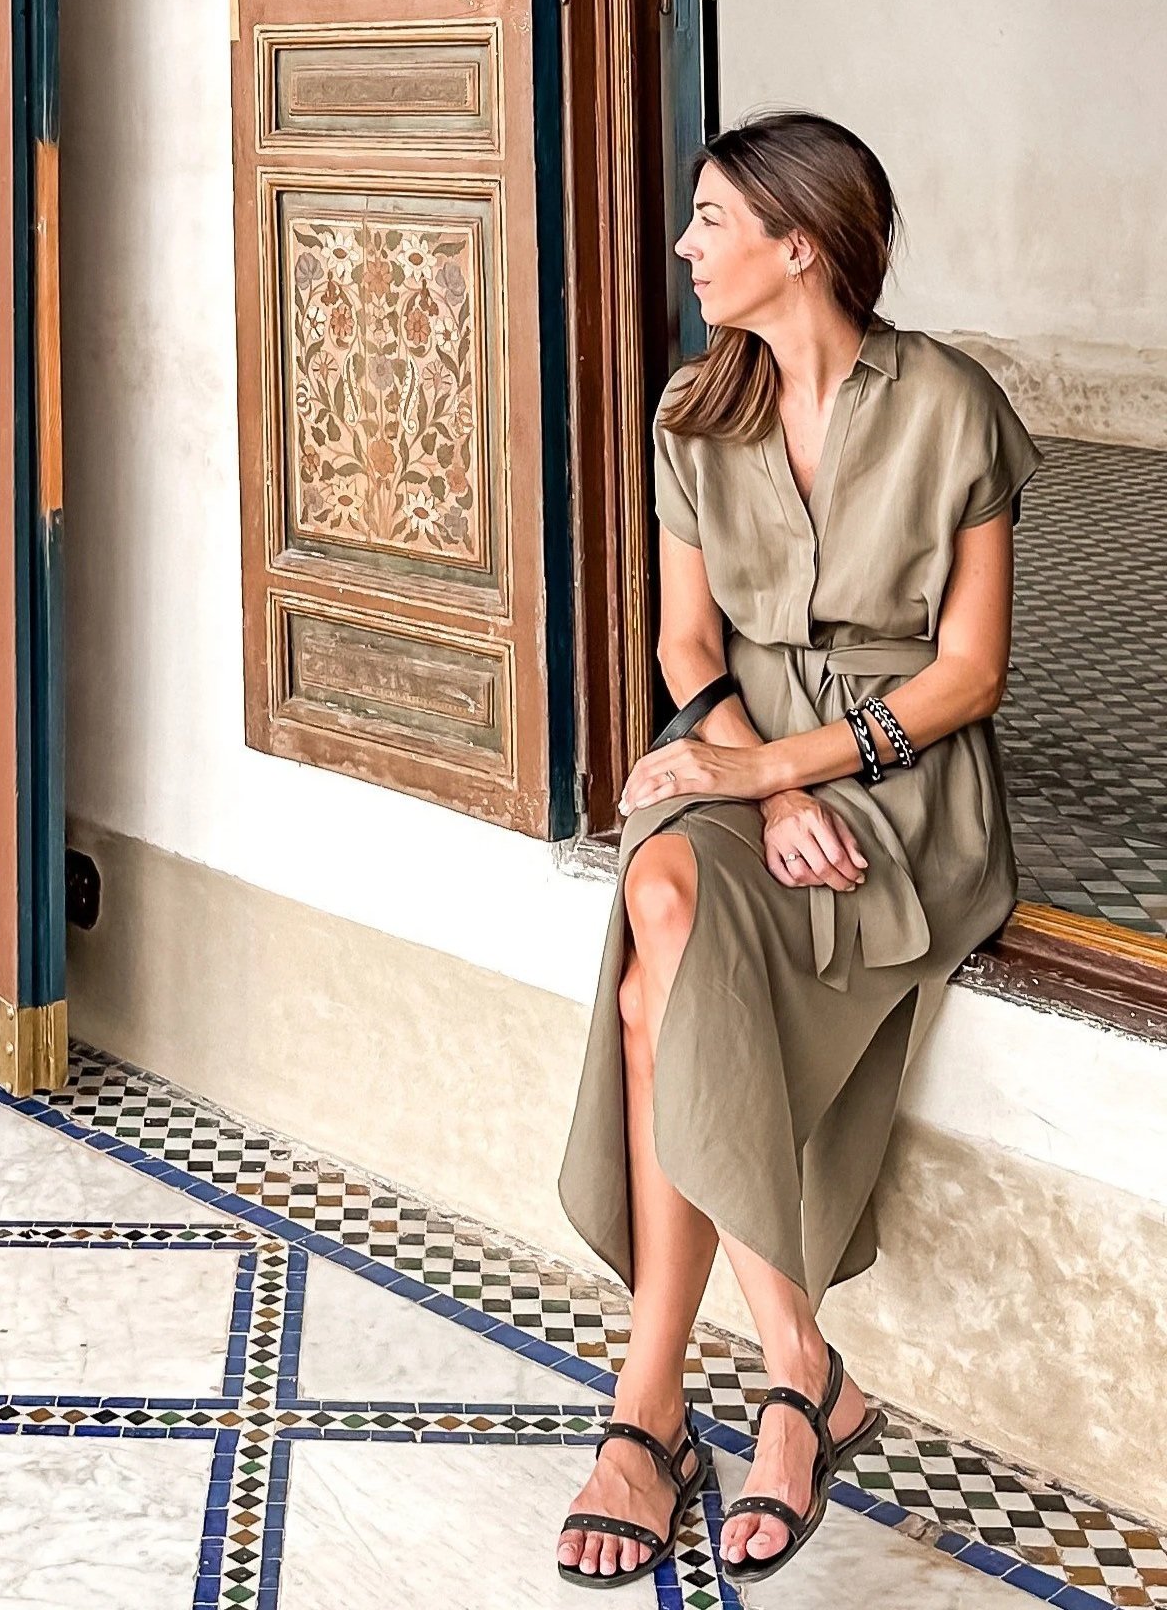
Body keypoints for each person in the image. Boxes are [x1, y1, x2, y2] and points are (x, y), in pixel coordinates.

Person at [553, 110, 1038, 1587]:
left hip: (910, 784)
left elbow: (968, 677)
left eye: (711, 220)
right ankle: (789, 1367)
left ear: (800, 243)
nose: (688, 248)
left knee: (658, 979)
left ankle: (660, 1404)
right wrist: (759, 787)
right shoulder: (693, 409)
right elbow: (686, 638)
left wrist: (795, 766)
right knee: (661, 880)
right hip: (747, 754)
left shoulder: (952, 404)